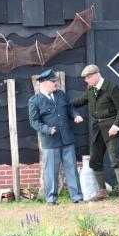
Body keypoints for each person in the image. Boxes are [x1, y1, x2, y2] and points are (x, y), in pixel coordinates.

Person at [71, 64, 119, 203]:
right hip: (97, 127)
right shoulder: (90, 89)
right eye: (86, 78)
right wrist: (65, 105)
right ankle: (102, 192)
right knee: (95, 160)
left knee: (115, 159)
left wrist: (116, 125)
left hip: (111, 127)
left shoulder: (112, 87)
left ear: (97, 75)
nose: (87, 80)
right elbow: (81, 100)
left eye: (89, 77)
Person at [28, 69, 84, 205]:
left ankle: (77, 197)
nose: (56, 85)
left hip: (67, 138)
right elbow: (34, 122)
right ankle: (51, 199)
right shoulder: (34, 101)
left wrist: (75, 115)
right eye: (54, 82)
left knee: (72, 169)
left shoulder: (60, 94)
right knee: (51, 172)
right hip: (51, 141)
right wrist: (47, 129)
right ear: (46, 83)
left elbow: (69, 108)